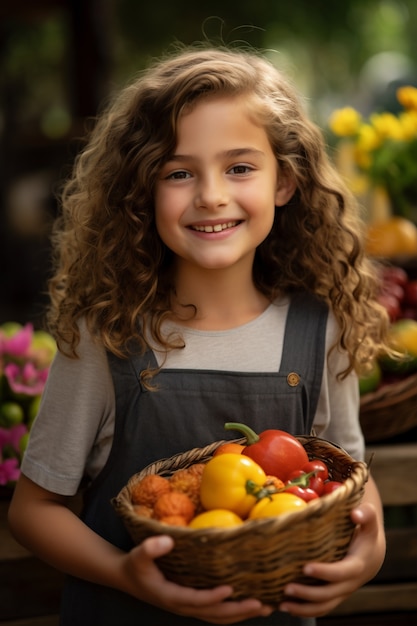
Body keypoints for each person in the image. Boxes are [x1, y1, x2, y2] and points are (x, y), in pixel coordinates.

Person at [8, 44, 388, 626]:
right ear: (141, 190)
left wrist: (368, 554)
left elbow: (351, 484)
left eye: (239, 167)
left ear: (285, 181)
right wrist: (127, 576)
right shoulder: (106, 334)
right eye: (179, 172)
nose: (211, 194)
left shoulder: (320, 329)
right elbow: (34, 511)